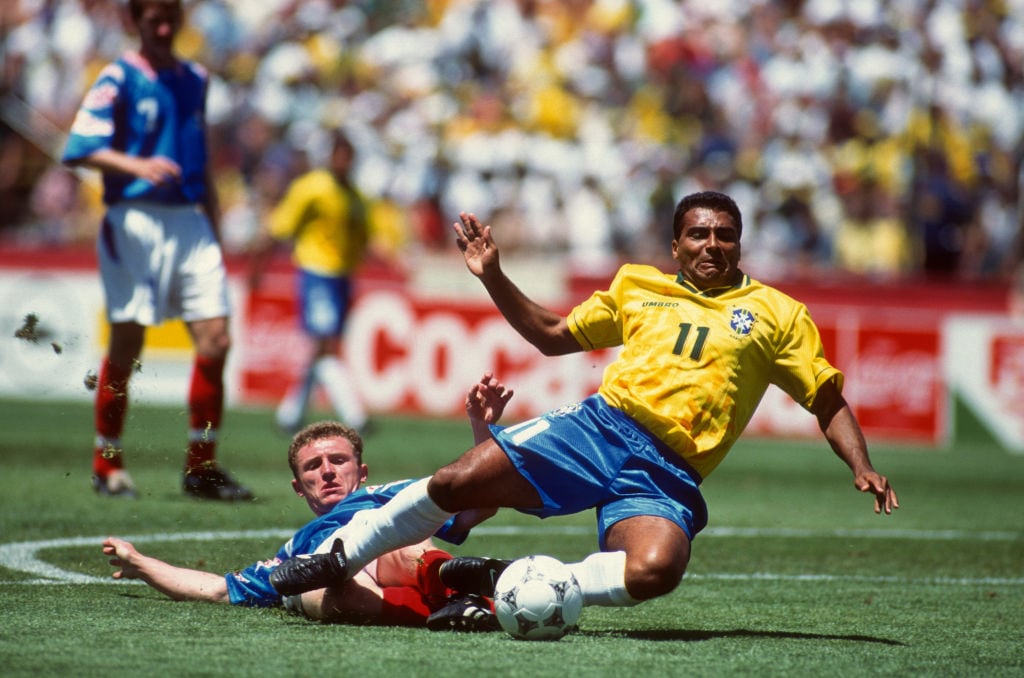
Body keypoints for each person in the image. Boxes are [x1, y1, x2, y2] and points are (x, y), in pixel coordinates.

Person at [269, 190, 900, 618]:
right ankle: (333, 560)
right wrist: (491, 273)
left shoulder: (779, 314)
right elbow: (550, 336)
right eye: (699, 234)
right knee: (457, 480)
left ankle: (526, 585)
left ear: (741, 244)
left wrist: (859, 463)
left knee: (656, 570)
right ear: (675, 246)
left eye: (725, 236)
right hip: (600, 429)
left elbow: (826, 397)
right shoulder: (637, 286)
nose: (713, 245)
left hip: (669, 472)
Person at [102, 372, 514, 630]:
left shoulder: (382, 495)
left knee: (396, 534)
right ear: (300, 488)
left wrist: (481, 428)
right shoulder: (294, 549)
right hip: (337, 576)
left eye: (338, 460)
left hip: (393, 548)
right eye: (313, 467)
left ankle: (451, 579)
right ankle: (459, 609)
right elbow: (216, 590)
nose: (328, 471)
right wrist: (140, 564)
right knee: (317, 591)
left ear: (362, 472)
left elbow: (479, 500)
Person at [61, 0, 249, 500]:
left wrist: (214, 224)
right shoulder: (118, 78)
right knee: (128, 341)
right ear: (134, 21)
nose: (164, 28)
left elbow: (200, 156)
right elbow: (77, 147)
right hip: (134, 219)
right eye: (153, 19)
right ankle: (107, 461)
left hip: (190, 220)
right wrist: (136, 166)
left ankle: (201, 465)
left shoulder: (195, 78)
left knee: (217, 339)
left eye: (171, 18)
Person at [248, 130, 370, 435]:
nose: (344, 162)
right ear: (330, 157)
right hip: (316, 272)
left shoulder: (355, 196)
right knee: (324, 343)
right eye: (339, 155)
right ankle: (354, 414)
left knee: (323, 349)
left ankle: (290, 414)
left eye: (348, 156)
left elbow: (364, 239)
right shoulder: (311, 189)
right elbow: (279, 227)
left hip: (342, 277)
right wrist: (258, 267)